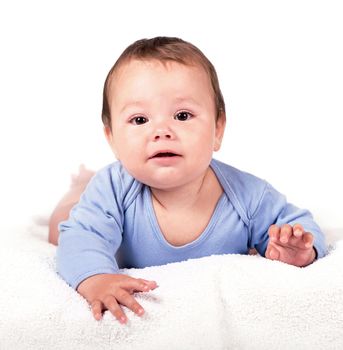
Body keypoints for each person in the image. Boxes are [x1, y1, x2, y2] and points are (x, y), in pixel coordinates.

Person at [55, 36, 327, 324]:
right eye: (139, 120)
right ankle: (77, 189)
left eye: (182, 115)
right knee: (60, 226)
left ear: (217, 128)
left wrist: (298, 248)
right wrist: (96, 277)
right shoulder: (112, 188)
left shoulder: (248, 195)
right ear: (112, 138)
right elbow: (81, 238)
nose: (161, 131)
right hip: (93, 199)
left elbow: (300, 224)